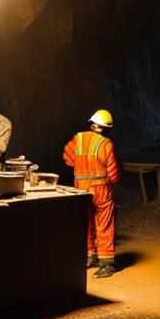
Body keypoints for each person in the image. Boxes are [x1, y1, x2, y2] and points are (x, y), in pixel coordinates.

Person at [62, 108, 120, 278]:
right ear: (107, 128)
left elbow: (68, 159)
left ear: (92, 124)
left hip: (81, 189)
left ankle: (89, 256)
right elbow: (113, 173)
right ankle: (106, 264)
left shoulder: (78, 139)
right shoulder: (106, 144)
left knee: (86, 223)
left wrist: (82, 168)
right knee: (104, 225)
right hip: (101, 189)